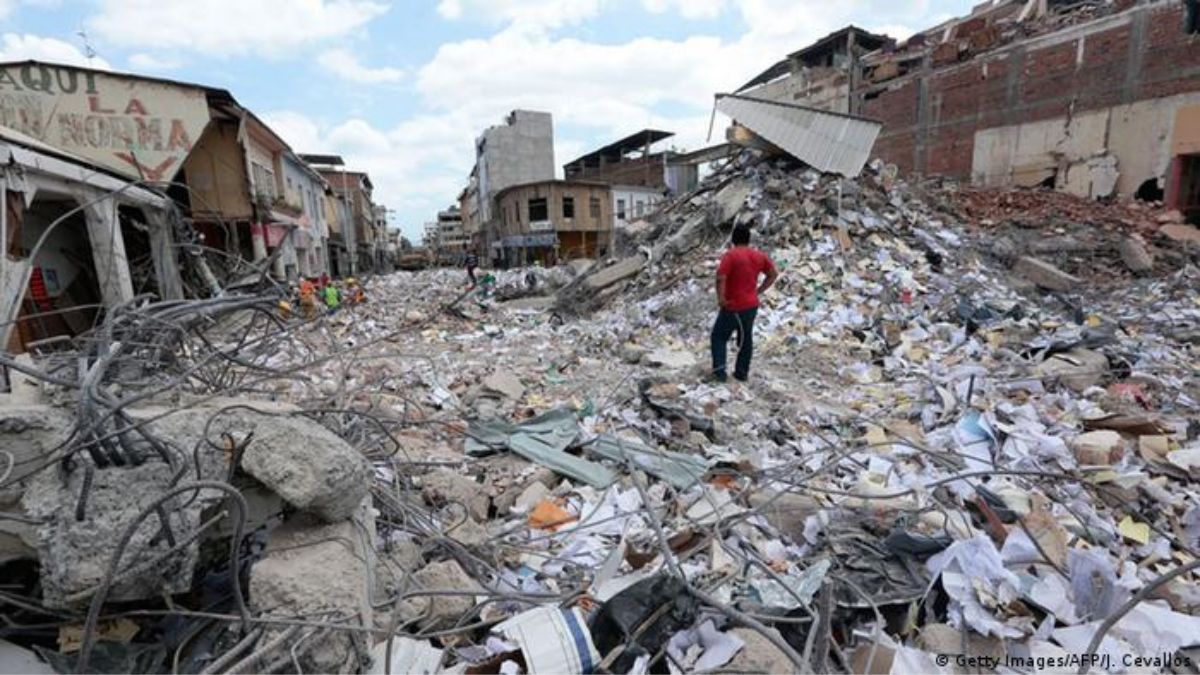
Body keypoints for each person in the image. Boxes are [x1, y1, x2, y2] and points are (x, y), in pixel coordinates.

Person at [711, 224, 778, 382]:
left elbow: (720, 278)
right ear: (748, 239)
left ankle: (720, 372)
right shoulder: (759, 256)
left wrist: (721, 298)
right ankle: (741, 373)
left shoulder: (731, 256)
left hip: (733, 305)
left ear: (733, 239)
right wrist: (759, 290)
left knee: (719, 337)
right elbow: (773, 274)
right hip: (751, 305)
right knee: (745, 339)